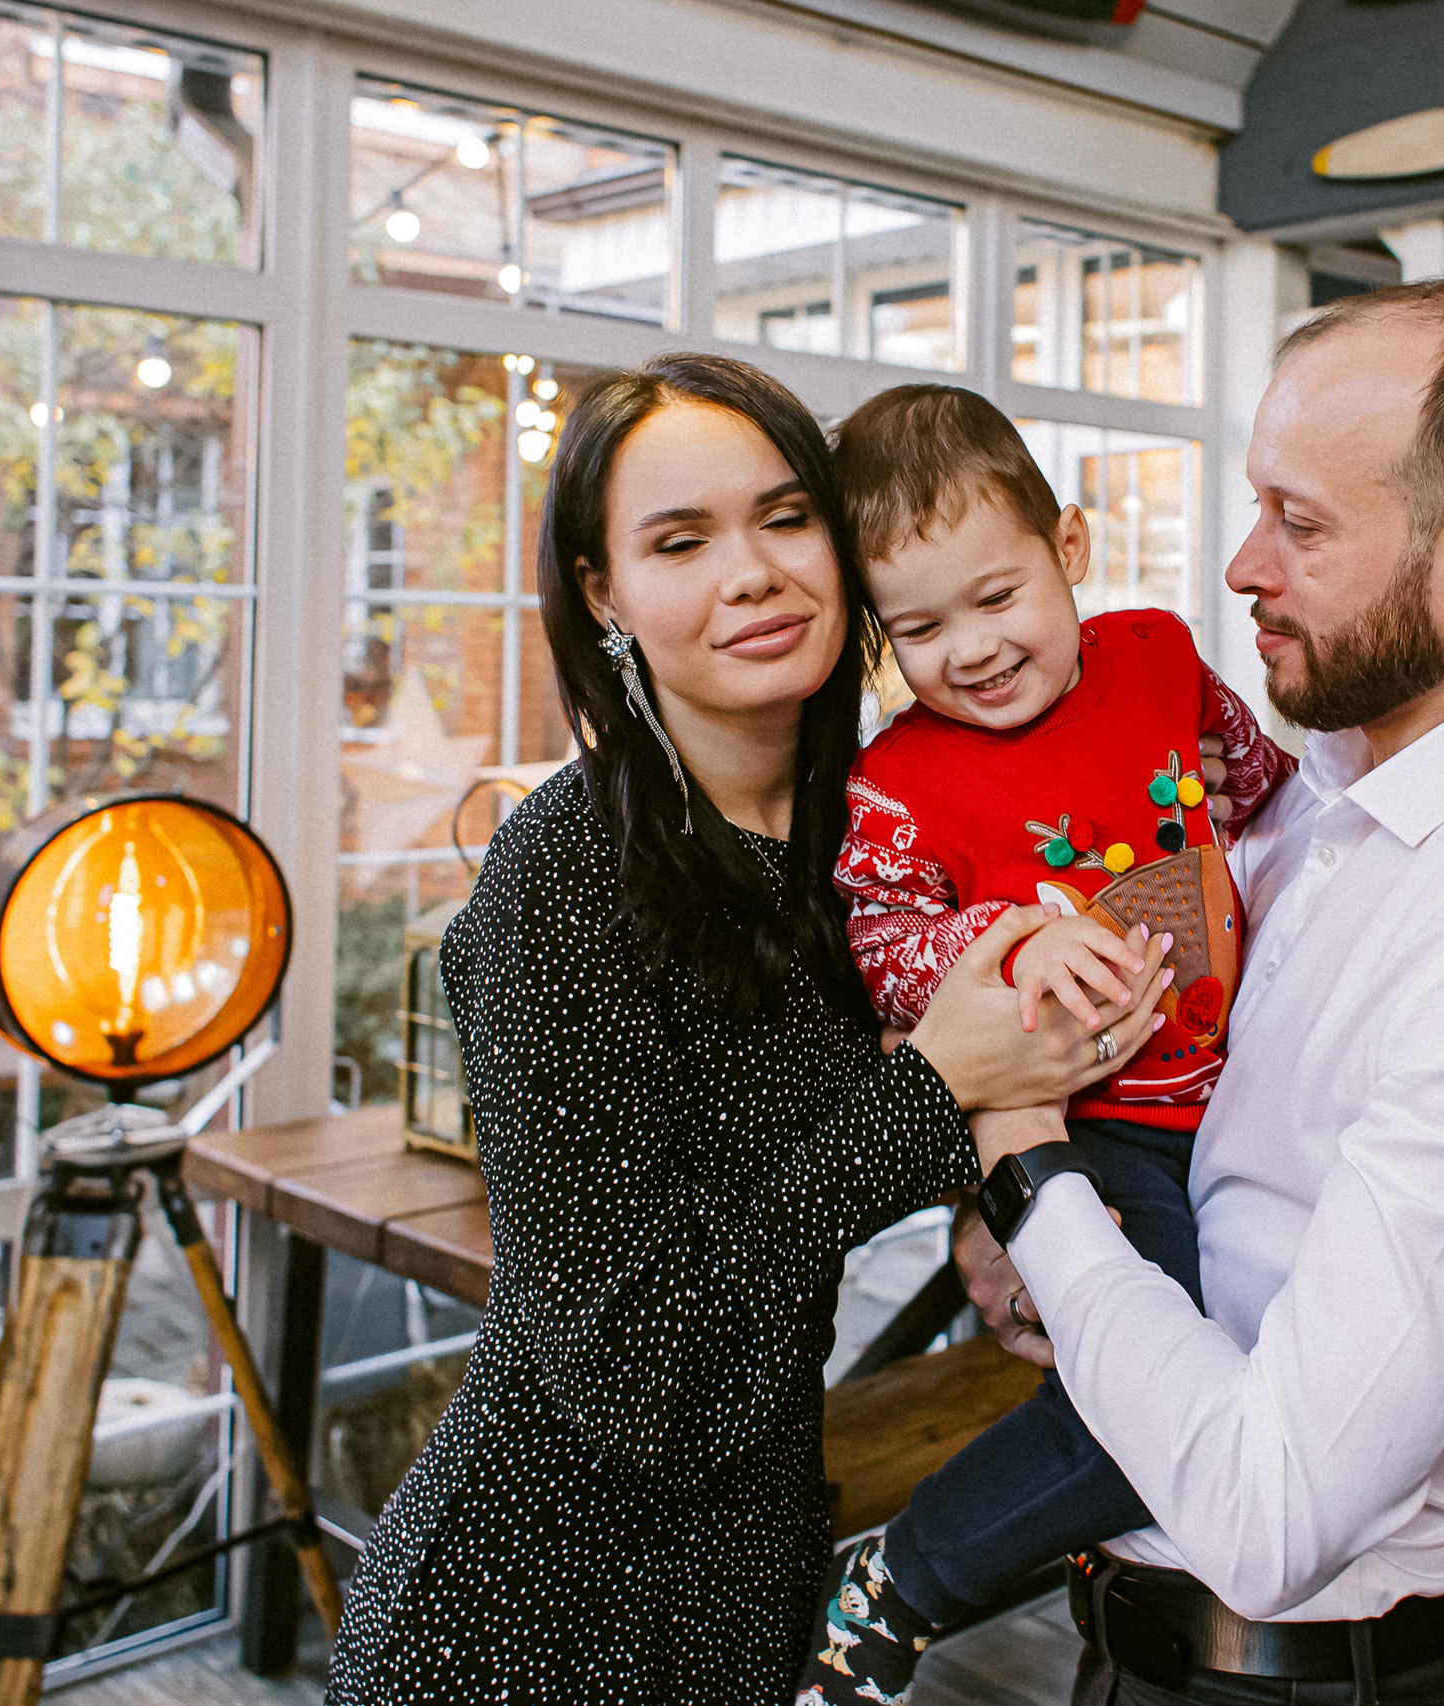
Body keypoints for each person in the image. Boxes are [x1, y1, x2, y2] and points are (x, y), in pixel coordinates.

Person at [323, 353, 1171, 1706]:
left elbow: (864, 1113)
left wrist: (983, 1199)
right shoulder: (561, 879)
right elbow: (638, 1369)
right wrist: (937, 1097)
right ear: (604, 596)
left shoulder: (876, 828)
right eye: (680, 539)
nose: (755, 571)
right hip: (533, 1610)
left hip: (756, 1567)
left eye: (787, 517)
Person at [956, 277, 1444, 1705]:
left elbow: (1267, 1512)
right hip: (1127, 1648)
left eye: (1300, 522)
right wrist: (1031, 1240)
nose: (1243, 564)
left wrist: (1019, 1162)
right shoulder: (1300, 811)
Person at [792, 386, 1295, 1705]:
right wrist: (999, 936)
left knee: (1204, 1397)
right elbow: (879, 945)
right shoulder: (894, 784)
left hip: (1233, 1098)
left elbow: (1252, 780)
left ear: (1069, 548)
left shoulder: (1156, 655)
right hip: (1091, 1123)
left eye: (996, 596)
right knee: (1158, 1409)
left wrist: (1244, 798)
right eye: (918, 627)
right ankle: (906, 1576)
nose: (969, 647)